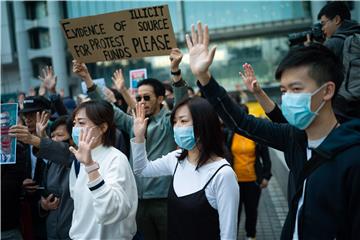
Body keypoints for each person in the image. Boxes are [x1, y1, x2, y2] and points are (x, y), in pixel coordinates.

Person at [186, 22, 360, 239]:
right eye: (283, 90)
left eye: (296, 89)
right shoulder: (294, 138)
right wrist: (204, 78)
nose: (288, 98)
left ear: (327, 91)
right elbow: (241, 122)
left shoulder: (352, 157)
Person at [73, 48, 188, 240]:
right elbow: (107, 109)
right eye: (139, 98)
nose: (141, 102)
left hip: (163, 199)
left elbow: (182, 104)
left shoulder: (170, 121)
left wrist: (175, 71)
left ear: (160, 99)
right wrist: (87, 80)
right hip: (139, 201)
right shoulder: (132, 122)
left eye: (147, 98)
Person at [131, 97, 239, 240]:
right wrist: (139, 137)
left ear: (203, 124)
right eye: (175, 122)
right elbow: (141, 170)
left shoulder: (223, 174)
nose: (177, 127)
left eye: (183, 121)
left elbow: (228, 234)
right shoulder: (176, 159)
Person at [224, 104, 272, 240]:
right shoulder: (230, 133)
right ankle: (231, 235)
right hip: (234, 182)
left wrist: (266, 177)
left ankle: (251, 235)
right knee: (233, 212)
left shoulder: (255, 135)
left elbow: (266, 158)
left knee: (251, 210)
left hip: (253, 180)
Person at [317, 1, 360, 122]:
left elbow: (313, 70)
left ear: (336, 20)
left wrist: (311, 47)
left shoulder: (333, 43)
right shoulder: (356, 35)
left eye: (323, 24)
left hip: (345, 108)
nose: (322, 29)